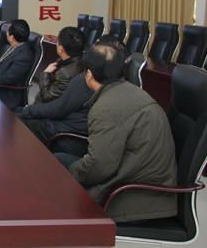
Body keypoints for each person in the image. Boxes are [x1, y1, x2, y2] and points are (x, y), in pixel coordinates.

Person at [58, 44, 177, 223]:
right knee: (59, 160)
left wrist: (70, 174)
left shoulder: (106, 107)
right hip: (143, 179)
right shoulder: (129, 91)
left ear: (88, 74)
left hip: (137, 197)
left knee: (56, 180)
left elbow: (100, 166)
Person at [0, 19, 34, 110]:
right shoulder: (14, 47)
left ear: (11, 37)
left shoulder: (24, 56)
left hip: (5, 93)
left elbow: (8, 78)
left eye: (8, 31)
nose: (6, 33)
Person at [35, 26, 84, 104]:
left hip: (47, 107)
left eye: (57, 42)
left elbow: (46, 96)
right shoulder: (77, 59)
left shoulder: (65, 74)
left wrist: (45, 73)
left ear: (61, 49)